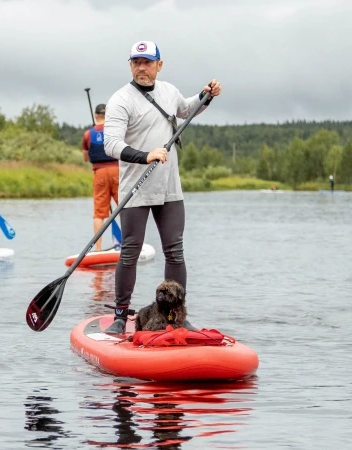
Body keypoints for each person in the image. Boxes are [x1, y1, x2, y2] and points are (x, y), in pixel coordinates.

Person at [102, 40, 221, 334]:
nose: (141, 67)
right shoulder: (121, 99)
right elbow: (110, 144)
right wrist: (146, 155)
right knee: (130, 251)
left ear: (159, 64)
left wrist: (205, 96)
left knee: (175, 251)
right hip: (136, 187)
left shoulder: (169, 91)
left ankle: (176, 317)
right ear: (130, 65)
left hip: (169, 188)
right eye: (136, 62)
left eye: (147, 62)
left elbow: (186, 110)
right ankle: (120, 316)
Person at [82, 103, 119, 252]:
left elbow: (85, 158)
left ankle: (97, 249)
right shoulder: (115, 131)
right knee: (125, 207)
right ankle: (131, 244)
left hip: (100, 173)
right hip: (117, 172)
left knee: (99, 213)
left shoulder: (87, 134)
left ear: (96, 116)